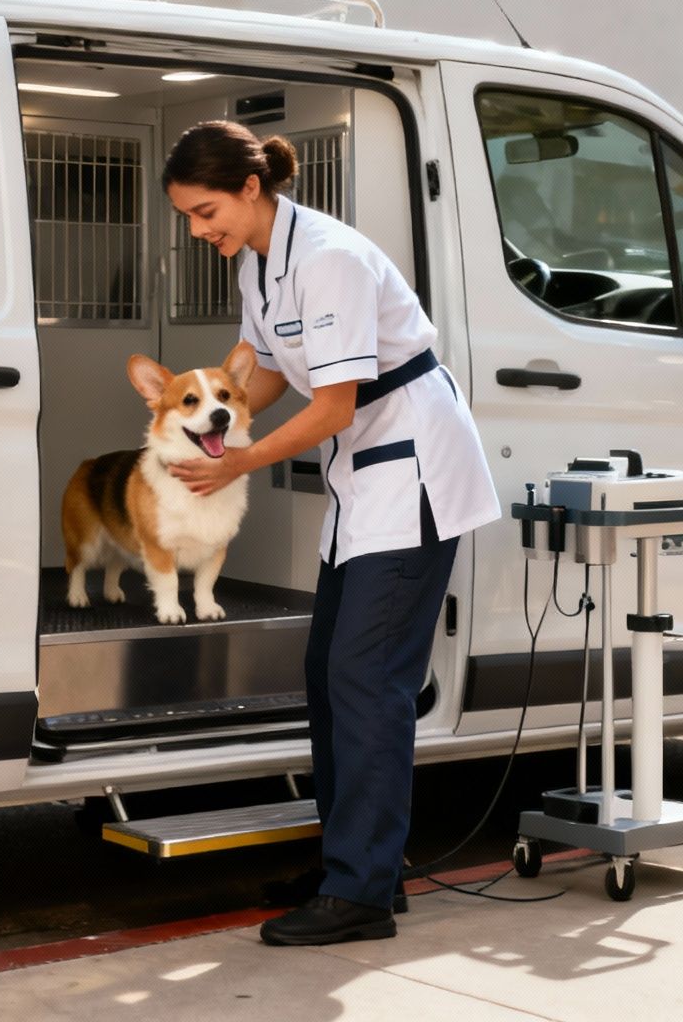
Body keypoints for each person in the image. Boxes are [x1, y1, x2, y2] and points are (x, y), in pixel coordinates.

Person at [162, 121, 500, 946]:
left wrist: (235, 467)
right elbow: (266, 373)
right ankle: (357, 863)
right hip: (366, 481)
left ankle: (362, 892)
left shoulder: (329, 259)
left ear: (250, 188)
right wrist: (213, 430)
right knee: (328, 672)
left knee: (366, 677)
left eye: (206, 213)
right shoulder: (259, 263)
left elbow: (334, 406)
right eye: (189, 219)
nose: (200, 231)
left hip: (410, 468)